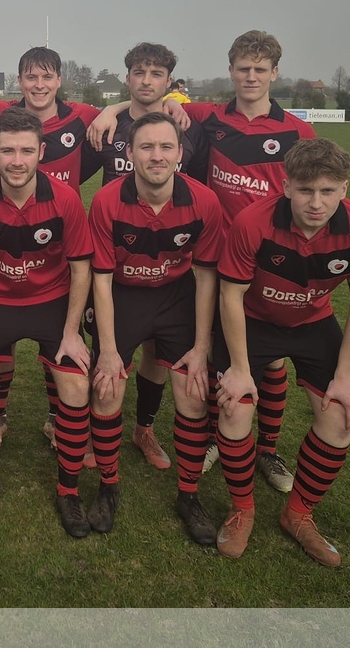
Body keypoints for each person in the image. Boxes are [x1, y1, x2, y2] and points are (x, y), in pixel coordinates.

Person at [89, 29, 316, 491]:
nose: (250, 76)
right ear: (230, 71)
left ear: (274, 73)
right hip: (187, 255)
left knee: (268, 357)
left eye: (260, 69)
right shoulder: (209, 117)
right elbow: (149, 104)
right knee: (213, 352)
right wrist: (110, 109)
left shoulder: (295, 131)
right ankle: (212, 438)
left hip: (263, 257)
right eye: (243, 68)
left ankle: (266, 449)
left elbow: (307, 189)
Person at [212, 138, 350, 566]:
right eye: (306, 190)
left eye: (327, 191)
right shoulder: (253, 222)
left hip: (313, 323)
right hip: (252, 320)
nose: (316, 202)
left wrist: (344, 377)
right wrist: (239, 369)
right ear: (286, 186)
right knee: (234, 407)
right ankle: (242, 509)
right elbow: (230, 296)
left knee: (340, 417)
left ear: (344, 189)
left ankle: (298, 514)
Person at [0, 107, 95, 536]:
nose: (17, 161)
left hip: (51, 302)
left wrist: (72, 333)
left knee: (75, 383)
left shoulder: (65, 199)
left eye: (26, 151)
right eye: (8, 151)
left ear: (41, 152)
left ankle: (68, 491)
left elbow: (81, 269)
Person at [87, 113, 224, 541]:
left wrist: (201, 346)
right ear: (129, 153)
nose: (157, 156)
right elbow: (101, 280)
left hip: (175, 297)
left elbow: (206, 278)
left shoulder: (204, 201)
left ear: (181, 153)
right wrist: (108, 350)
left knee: (194, 391)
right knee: (107, 386)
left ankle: (189, 496)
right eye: (146, 147)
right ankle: (108, 486)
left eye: (166, 147)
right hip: (122, 295)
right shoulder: (107, 201)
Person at [80, 42, 205, 471]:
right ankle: (96, 430)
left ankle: (144, 428)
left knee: (158, 354)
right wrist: (110, 110)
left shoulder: (184, 126)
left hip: (169, 259)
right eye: (139, 73)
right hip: (117, 258)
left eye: (156, 74)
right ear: (128, 77)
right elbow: (70, 172)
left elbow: (196, 187)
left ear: (169, 81)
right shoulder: (107, 127)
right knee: (107, 358)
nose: (147, 81)